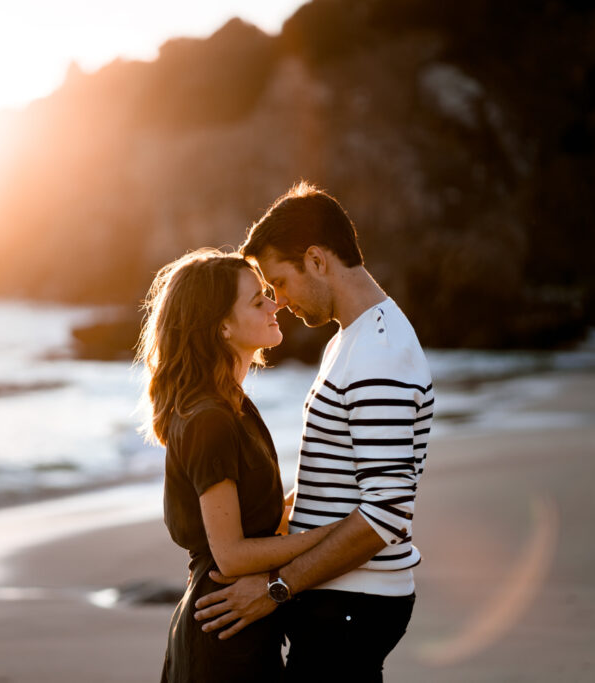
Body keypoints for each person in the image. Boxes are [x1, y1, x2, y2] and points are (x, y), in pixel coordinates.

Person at [193, 182, 434, 681]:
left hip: (354, 603)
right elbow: (344, 471)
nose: (277, 302)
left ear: (318, 261)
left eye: (280, 282)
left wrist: (275, 588)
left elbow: (386, 512)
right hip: (343, 597)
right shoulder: (353, 339)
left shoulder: (378, 355)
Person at [137, 248, 347, 683]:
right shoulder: (209, 418)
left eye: (267, 295)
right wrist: (334, 537)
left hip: (243, 623)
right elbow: (231, 555)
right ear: (223, 327)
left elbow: (258, 519)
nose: (275, 305)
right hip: (223, 637)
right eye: (258, 301)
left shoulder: (234, 406)